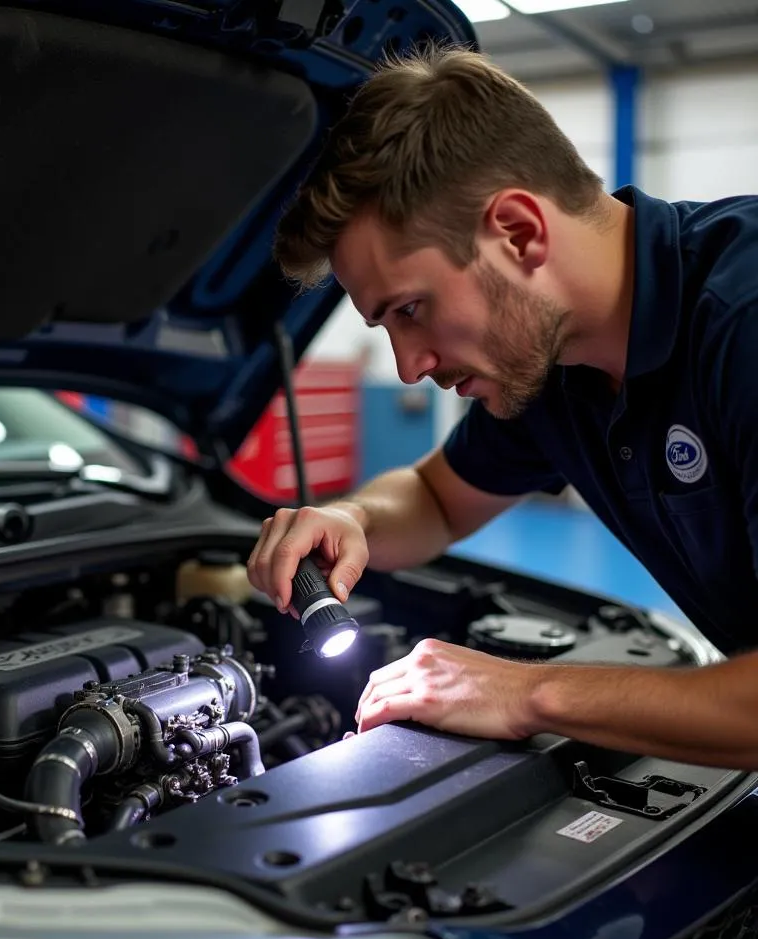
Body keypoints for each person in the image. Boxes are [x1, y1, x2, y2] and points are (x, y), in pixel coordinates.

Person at [245, 43, 758, 769]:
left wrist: (525, 692)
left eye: (412, 308)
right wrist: (351, 520)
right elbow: (435, 498)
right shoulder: (559, 370)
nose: (409, 364)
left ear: (519, 232)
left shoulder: (744, 319)